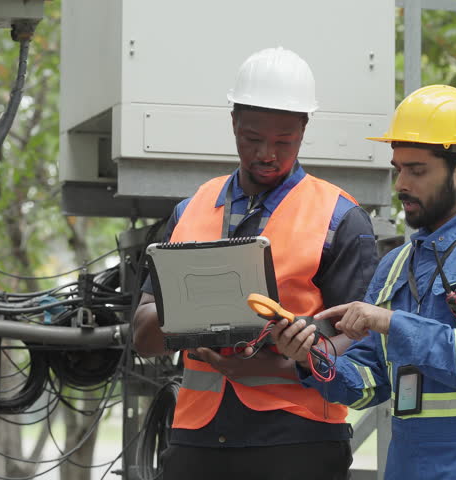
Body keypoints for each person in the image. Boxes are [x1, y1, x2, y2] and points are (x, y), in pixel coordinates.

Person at [273, 84, 456, 480]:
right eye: (398, 169)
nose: (400, 184)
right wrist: (310, 358)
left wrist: (391, 323)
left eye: (417, 170)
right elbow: (369, 384)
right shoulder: (395, 265)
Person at [132, 47, 379, 480]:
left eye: (284, 141)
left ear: (304, 129)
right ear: (233, 124)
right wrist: (188, 321)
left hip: (298, 440)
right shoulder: (190, 210)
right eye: (252, 139)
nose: (267, 153)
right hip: (197, 439)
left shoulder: (340, 218)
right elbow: (143, 335)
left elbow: (363, 339)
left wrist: (286, 361)